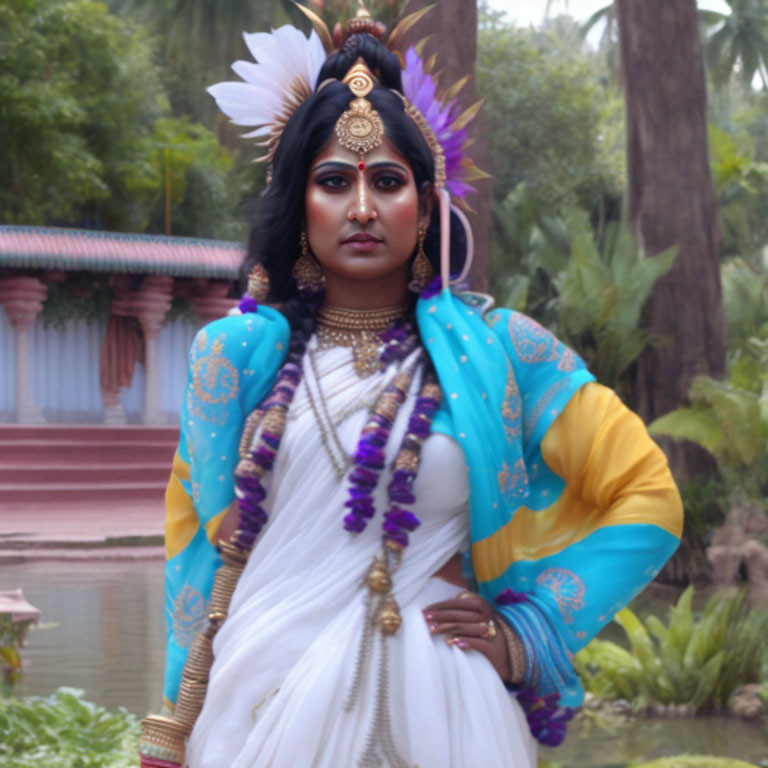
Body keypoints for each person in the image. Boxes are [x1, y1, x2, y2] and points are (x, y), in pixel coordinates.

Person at [139, 6, 683, 768]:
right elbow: (197, 556)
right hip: (258, 705)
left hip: (447, 708)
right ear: (299, 202)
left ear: (427, 205)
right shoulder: (236, 362)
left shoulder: (504, 354)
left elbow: (649, 497)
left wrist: (528, 635)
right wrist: (176, 712)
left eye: (387, 181)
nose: (361, 208)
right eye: (334, 182)